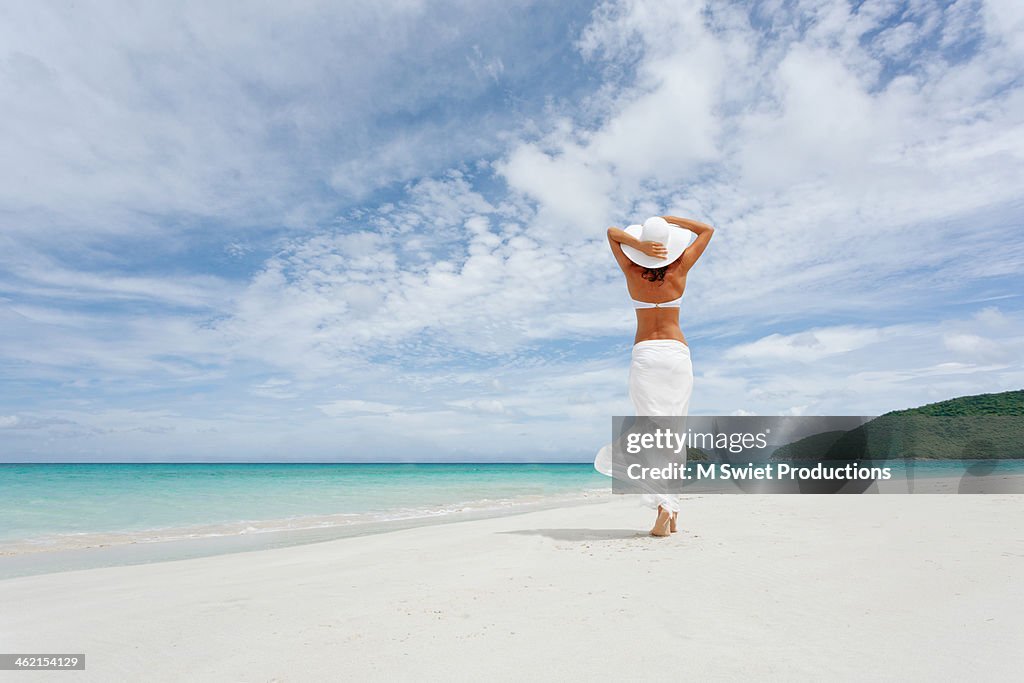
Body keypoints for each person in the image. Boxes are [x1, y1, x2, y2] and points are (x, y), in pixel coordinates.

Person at [594, 215, 715, 537]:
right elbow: (706, 230)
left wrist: (637, 244)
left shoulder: (631, 271)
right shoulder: (680, 268)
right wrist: (669, 220)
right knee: (674, 434)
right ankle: (669, 508)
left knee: (650, 430)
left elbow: (610, 232)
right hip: (675, 355)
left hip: (646, 354)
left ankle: (666, 506)